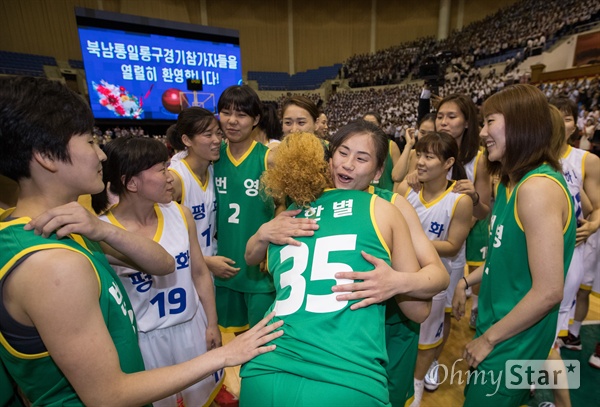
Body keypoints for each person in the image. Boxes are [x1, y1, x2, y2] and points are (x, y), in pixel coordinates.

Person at [0, 76, 282, 406]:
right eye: (90, 142)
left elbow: (163, 263)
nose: (101, 156)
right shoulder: (52, 266)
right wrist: (226, 355)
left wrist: (102, 230)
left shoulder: (57, 227)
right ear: (46, 156)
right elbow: (107, 395)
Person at [245, 120, 449, 406]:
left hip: (376, 333)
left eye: (362, 158)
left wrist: (397, 282)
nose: (348, 164)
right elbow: (421, 306)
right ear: (329, 158)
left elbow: (437, 274)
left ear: (379, 172)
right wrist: (263, 232)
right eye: (342, 153)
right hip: (346, 354)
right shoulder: (306, 204)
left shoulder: (390, 204)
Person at [452, 84, 576, 406]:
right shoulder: (514, 184)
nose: (481, 132)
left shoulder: (536, 188)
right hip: (507, 333)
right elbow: (504, 261)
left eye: (489, 121)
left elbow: (549, 291)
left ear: (520, 124)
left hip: (512, 342)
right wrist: (466, 281)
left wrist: (488, 340)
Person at [93, 136, 223, 406]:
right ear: (131, 182)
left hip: (191, 327)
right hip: (144, 340)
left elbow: (199, 273)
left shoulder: (180, 213)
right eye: (162, 169)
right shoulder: (101, 231)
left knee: (204, 399)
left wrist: (212, 323)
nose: (170, 177)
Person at [406, 94, 492, 391]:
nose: (444, 121)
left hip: (457, 238)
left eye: (451, 116)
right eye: (440, 115)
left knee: (440, 314)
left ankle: (430, 362)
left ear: (467, 122)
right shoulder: (425, 159)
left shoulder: (479, 158)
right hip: (430, 238)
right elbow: (400, 181)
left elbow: (483, 211)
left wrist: (474, 199)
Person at [396, 132, 473, 407]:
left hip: (438, 275)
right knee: (403, 332)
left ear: (448, 162)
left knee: (430, 337)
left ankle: (417, 386)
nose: (421, 162)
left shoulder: (460, 199)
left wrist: (414, 243)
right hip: (405, 273)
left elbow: (453, 245)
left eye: (429, 157)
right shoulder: (406, 190)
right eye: (419, 154)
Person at [213, 84, 276, 332]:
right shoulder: (211, 157)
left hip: (258, 274)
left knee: (261, 346)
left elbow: (284, 205)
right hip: (222, 269)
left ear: (255, 119)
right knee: (226, 345)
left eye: (241, 114)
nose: (232, 121)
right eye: (226, 112)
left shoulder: (269, 158)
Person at [166, 107, 241, 282]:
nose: (216, 140)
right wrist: (205, 262)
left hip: (210, 268)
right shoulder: (175, 179)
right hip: (182, 273)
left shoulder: (214, 170)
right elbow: (158, 238)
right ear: (187, 140)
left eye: (218, 133)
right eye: (208, 135)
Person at [363, 111, 401, 192]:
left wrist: (393, 197)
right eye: (365, 123)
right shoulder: (356, 147)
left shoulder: (391, 146)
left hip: (386, 196)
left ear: (379, 127)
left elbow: (399, 176)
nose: (368, 127)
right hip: (364, 197)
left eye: (372, 124)